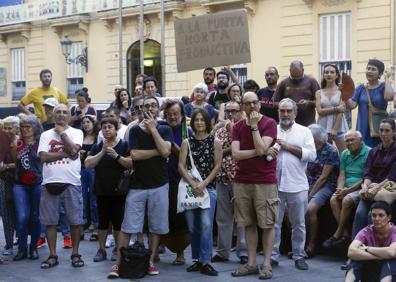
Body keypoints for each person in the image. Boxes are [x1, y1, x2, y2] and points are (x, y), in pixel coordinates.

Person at [108, 96, 172, 278]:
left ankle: (150, 261)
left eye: (153, 105)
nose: (150, 108)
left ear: (158, 109)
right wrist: (158, 151)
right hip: (137, 186)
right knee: (128, 226)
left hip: (159, 184)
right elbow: (135, 155)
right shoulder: (134, 130)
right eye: (146, 106)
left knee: (155, 227)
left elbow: (167, 151)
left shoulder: (165, 129)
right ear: (141, 109)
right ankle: (119, 263)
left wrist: (153, 130)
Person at [230, 92, 278, 280]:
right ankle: (251, 263)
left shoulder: (269, 123)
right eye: (247, 103)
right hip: (242, 180)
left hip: (264, 181)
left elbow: (261, 148)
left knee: (267, 224)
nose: (251, 106)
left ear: (260, 104)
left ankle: (266, 264)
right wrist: (259, 152)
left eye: (254, 103)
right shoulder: (237, 127)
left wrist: (254, 128)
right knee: (248, 223)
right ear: (242, 106)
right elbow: (236, 154)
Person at [269, 98, 316, 271]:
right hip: (274, 185)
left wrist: (288, 146)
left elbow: (311, 155)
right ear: (278, 112)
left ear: (295, 113)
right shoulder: (272, 129)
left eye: (289, 111)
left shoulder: (304, 132)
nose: (285, 114)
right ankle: (272, 256)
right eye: (282, 110)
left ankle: (298, 256)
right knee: (274, 223)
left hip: (297, 185)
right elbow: (265, 154)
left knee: (298, 224)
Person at [38, 104, 84, 269]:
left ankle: (75, 254)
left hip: (71, 182)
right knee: (50, 222)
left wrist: (62, 133)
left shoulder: (77, 132)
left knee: (75, 222)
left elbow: (75, 149)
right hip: (49, 183)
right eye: (58, 112)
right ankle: (52, 255)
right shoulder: (45, 134)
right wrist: (67, 153)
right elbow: (43, 157)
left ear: (70, 116)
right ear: (53, 115)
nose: (62, 115)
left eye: (65, 112)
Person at [178, 108, 222, 276]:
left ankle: (206, 261)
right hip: (190, 189)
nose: (199, 123)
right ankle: (196, 259)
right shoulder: (186, 142)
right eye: (196, 120)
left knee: (205, 225)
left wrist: (203, 184)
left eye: (202, 120)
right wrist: (193, 183)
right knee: (192, 226)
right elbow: (181, 166)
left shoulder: (215, 141)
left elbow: (218, 165)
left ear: (207, 122)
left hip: (208, 189)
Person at [85, 117, 132, 262]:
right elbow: (87, 164)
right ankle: (101, 250)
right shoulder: (97, 146)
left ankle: (117, 250)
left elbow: (131, 163)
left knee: (118, 222)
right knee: (103, 222)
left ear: (116, 129)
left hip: (119, 190)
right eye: (104, 127)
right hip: (102, 189)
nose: (107, 130)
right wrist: (102, 152)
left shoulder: (124, 145)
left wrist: (116, 156)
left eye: (110, 127)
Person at [322, 130, 371, 249]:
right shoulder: (345, 153)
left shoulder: (369, 152)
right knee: (334, 199)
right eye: (346, 141)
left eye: (352, 140)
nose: (349, 143)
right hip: (346, 187)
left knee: (346, 200)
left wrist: (347, 192)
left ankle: (338, 233)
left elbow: (367, 177)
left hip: (362, 186)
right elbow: (342, 174)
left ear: (360, 140)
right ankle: (346, 234)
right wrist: (339, 188)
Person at [212, 101, 247, 264]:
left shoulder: (245, 127)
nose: (231, 114)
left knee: (242, 216)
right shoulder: (218, 129)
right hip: (221, 177)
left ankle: (243, 251)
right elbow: (211, 149)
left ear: (241, 112)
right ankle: (222, 251)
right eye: (228, 111)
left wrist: (231, 129)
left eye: (234, 111)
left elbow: (239, 150)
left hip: (239, 177)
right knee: (223, 217)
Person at [352, 119, 396, 239]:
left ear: (394, 132)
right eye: (381, 130)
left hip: (385, 191)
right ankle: (355, 249)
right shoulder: (374, 151)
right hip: (371, 190)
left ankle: (372, 251)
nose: (383, 133)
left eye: (387, 130)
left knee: (371, 215)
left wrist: (375, 189)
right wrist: (365, 187)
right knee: (359, 214)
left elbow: (391, 177)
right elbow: (368, 174)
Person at [161, 99, 191, 265]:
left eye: (175, 114)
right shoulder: (160, 128)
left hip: (180, 180)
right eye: (169, 114)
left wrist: (170, 144)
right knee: (160, 215)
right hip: (161, 178)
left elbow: (186, 157)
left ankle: (180, 253)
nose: (172, 117)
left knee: (179, 219)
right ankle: (157, 248)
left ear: (182, 115)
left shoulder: (188, 132)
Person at [305, 124, 340, 257]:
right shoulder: (308, 149)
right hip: (308, 183)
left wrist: (310, 194)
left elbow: (324, 177)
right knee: (287, 208)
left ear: (317, 139)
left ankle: (311, 245)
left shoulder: (330, 150)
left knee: (310, 209)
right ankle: (296, 244)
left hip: (326, 185)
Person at [12, 114, 43, 261]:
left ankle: (33, 248)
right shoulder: (16, 143)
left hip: (38, 183)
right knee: (22, 217)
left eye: (28, 127)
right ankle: (22, 248)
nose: (25, 130)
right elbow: (11, 161)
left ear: (35, 128)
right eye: (23, 127)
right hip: (20, 184)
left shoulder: (42, 142)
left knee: (36, 217)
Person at [347, 59, 395, 147]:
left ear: (380, 74)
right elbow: (352, 105)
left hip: (379, 128)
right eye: (368, 68)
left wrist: (387, 79)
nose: (369, 71)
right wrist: (344, 94)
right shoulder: (361, 88)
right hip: (363, 128)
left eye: (373, 69)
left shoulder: (383, 86)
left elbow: (389, 97)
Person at [346, 201, 396, 282]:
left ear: (389, 217)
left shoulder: (395, 231)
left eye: (381, 215)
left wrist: (367, 248)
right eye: (374, 215)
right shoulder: (366, 231)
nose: (377, 219)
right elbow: (351, 252)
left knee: (392, 260)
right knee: (354, 260)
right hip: (372, 272)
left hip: (390, 273)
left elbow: (391, 252)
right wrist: (380, 256)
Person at [273, 61, 320, 126]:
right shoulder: (283, 83)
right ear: (290, 71)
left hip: (308, 123)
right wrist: (288, 104)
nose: (296, 80)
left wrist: (308, 103)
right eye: (294, 77)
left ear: (303, 70)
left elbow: (320, 102)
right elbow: (274, 103)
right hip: (289, 124)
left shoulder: (312, 81)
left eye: (299, 77)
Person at [316, 64, 348, 153]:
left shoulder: (341, 90)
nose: (329, 74)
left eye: (332, 72)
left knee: (344, 154)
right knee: (324, 155)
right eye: (326, 72)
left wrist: (335, 129)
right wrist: (336, 108)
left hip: (339, 127)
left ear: (336, 75)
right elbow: (320, 112)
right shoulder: (318, 92)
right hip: (322, 126)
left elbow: (341, 111)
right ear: (323, 75)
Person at [0, 116, 18, 256]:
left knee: (21, 214)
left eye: (9, 128)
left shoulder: (21, 142)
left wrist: (6, 166)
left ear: (16, 129)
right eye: (4, 128)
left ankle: (23, 242)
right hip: (4, 182)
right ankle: (9, 244)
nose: (6, 130)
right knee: (6, 214)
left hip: (20, 182)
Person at [79, 115, 99, 241]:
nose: (86, 124)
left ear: (93, 123)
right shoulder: (79, 136)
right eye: (84, 122)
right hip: (80, 169)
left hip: (93, 169)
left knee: (94, 199)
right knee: (81, 198)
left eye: (88, 122)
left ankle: (96, 226)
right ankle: (82, 225)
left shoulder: (98, 137)